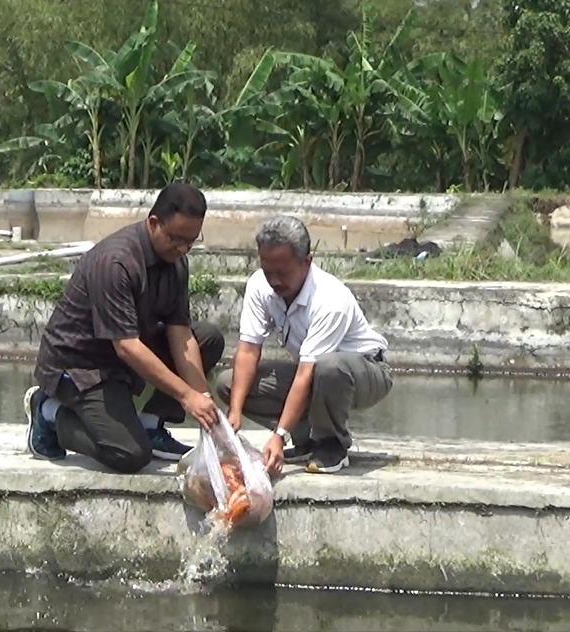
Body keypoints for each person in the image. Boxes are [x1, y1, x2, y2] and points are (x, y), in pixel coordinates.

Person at [24, 182, 225, 474]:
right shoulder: (116, 262)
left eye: (191, 241)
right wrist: (186, 396)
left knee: (206, 338)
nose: (183, 248)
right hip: (82, 367)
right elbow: (127, 346)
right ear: (153, 222)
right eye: (176, 238)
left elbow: (179, 331)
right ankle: (49, 414)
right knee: (129, 454)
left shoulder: (176, 261)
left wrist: (204, 402)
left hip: (123, 357)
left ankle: (150, 424)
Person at [216, 214, 393, 476]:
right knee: (228, 384)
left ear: (307, 262)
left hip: (364, 372)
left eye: (283, 272)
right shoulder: (259, 285)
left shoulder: (330, 299)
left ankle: (332, 443)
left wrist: (278, 435)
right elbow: (249, 349)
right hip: (313, 373)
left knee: (329, 367)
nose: (274, 281)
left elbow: (306, 373)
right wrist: (234, 413)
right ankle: (307, 439)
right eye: (268, 271)